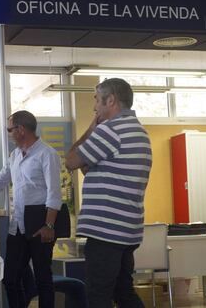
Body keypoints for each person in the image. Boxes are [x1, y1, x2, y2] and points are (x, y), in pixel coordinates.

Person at [65, 78, 152, 308]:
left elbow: (72, 160)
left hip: (106, 231)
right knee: (124, 293)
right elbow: (96, 171)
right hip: (127, 230)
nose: (94, 106)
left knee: (98, 296)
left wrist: (91, 129)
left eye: (96, 99)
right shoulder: (139, 132)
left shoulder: (110, 130)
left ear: (110, 100)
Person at [0, 110, 62, 308]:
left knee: (43, 280)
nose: (8, 133)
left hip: (40, 225)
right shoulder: (14, 156)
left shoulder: (47, 154)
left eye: (9, 129)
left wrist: (49, 225)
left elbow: (54, 193)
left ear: (21, 130)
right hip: (18, 227)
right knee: (10, 279)